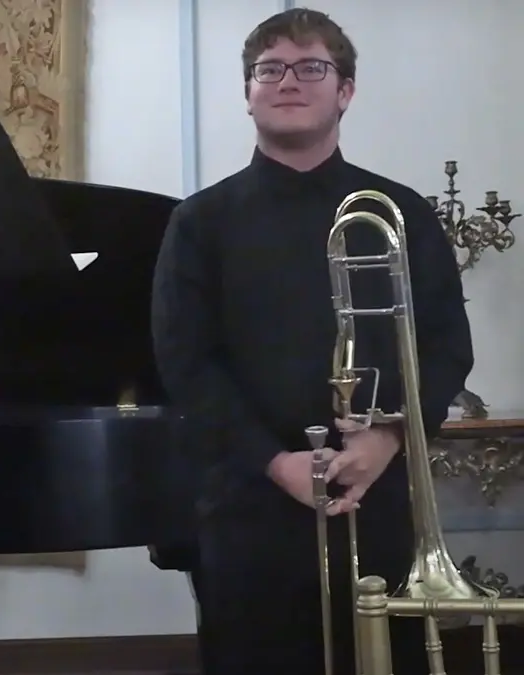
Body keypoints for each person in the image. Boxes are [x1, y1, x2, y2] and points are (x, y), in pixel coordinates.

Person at [150, 8, 474, 675]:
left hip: (377, 494)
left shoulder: (402, 213)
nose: (288, 81)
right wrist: (276, 462)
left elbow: (447, 347)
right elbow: (186, 363)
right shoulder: (199, 222)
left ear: (345, 90)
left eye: (311, 67)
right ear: (248, 94)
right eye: (268, 69)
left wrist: (386, 439)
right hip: (245, 501)